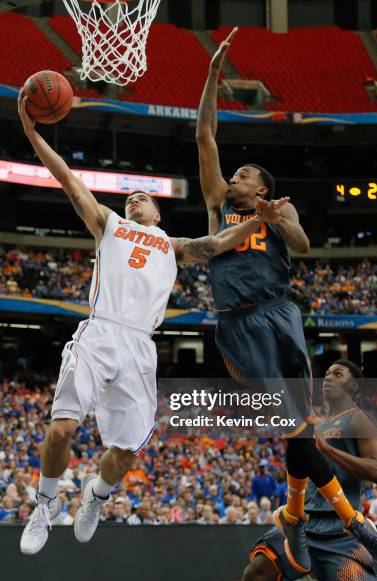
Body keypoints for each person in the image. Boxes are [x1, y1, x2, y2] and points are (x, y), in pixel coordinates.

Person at [17, 90, 272, 556]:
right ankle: (44, 504)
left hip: (140, 345)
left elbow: (216, 244)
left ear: (158, 214)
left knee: (128, 450)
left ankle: (96, 495)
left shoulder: (174, 245)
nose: (136, 198)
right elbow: (69, 180)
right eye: (131, 196)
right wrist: (33, 134)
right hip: (100, 331)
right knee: (61, 430)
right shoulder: (108, 223)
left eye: (145, 198)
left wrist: (257, 221)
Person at [196, 28, 377, 573]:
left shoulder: (278, 210)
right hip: (239, 323)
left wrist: (278, 220)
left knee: (301, 420)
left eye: (243, 175)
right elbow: (206, 139)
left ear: (260, 188)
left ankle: (295, 521)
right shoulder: (218, 205)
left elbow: (306, 246)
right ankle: (333, 521)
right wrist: (212, 82)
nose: (232, 177)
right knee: (292, 422)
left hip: (281, 312)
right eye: (233, 174)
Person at [233, 360, 377, 581]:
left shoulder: (358, 420)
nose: (328, 378)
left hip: (341, 529)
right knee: (254, 574)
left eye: (338, 374)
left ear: (353, 386)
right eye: (327, 373)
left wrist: (328, 451)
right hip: (305, 523)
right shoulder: (317, 422)